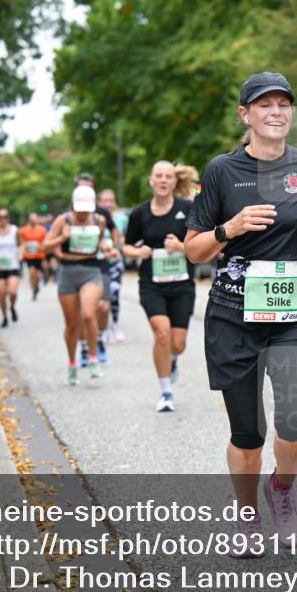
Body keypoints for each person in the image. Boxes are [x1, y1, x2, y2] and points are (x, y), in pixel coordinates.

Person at [184, 72, 297, 557]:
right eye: (263, 104)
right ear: (245, 115)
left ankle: (283, 491)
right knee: (248, 434)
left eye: (283, 104)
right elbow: (193, 250)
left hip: (296, 310)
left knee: (295, 421)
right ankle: (247, 516)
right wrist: (229, 228)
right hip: (234, 314)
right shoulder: (221, 171)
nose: (276, 111)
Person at [123, 161, 197, 412]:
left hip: (182, 285)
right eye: (159, 176)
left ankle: (172, 360)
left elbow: (203, 246)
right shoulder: (139, 214)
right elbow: (126, 246)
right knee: (161, 333)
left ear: (175, 182)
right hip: (151, 284)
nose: (163, 180)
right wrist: (138, 252)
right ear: (151, 181)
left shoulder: (188, 209)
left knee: (178, 344)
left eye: (168, 176)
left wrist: (181, 247)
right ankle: (165, 392)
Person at [42, 185, 108, 385]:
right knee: (71, 325)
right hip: (68, 272)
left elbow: (101, 243)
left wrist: (109, 249)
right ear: (73, 205)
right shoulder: (63, 220)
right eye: (79, 208)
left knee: (88, 314)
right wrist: (63, 237)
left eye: (86, 209)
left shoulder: (99, 220)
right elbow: (46, 245)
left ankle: (93, 359)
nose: (82, 213)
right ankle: (72, 363)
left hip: (91, 271)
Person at [73, 173, 119, 366]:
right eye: (82, 188)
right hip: (76, 267)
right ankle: (84, 347)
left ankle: (99, 338)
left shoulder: (102, 212)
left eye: (89, 188)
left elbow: (113, 229)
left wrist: (115, 247)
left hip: (101, 265)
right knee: (84, 311)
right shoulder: (68, 214)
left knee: (103, 306)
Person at [98, 189, 126, 343]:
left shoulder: (121, 218)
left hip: (115, 262)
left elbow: (129, 237)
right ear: (100, 202)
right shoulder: (94, 218)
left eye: (111, 200)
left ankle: (114, 324)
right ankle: (103, 327)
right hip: (97, 263)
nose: (108, 203)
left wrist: (119, 245)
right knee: (100, 297)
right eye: (105, 200)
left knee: (114, 294)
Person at [19, 213, 47, 300]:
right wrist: (23, 249)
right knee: (32, 274)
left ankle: (36, 286)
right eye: (31, 219)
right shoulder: (23, 230)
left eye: (34, 219)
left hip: (39, 255)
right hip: (29, 256)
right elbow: (21, 242)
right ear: (29, 220)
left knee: (37, 276)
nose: (33, 221)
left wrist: (41, 247)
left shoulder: (42, 230)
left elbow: (45, 242)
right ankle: (34, 291)